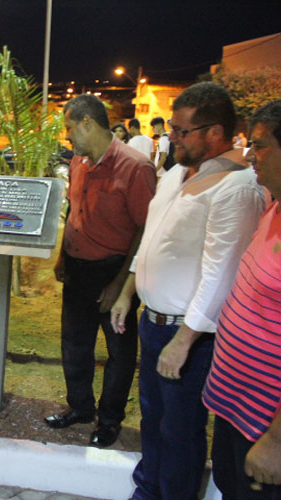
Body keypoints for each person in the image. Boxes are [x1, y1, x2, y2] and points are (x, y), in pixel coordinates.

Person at [110, 82, 267, 500]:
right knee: (152, 419)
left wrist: (184, 341)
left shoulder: (237, 187)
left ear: (214, 133)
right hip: (154, 323)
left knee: (179, 430)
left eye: (181, 131)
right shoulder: (176, 172)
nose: (170, 137)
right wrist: (129, 290)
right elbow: (150, 237)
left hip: (190, 336)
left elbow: (222, 272)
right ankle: (148, 490)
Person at [44, 94, 156, 448]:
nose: (67, 137)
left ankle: (109, 421)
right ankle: (80, 408)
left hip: (113, 272)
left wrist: (121, 285)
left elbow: (144, 230)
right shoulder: (79, 162)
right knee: (74, 344)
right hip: (77, 269)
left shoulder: (135, 167)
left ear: (88, 123)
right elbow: (74, 214)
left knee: (119, 353)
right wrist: (64, 257)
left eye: (69, 129)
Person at [202, 99, 281, 499]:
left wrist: (277, 442)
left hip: (268, 431)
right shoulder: (274, 206)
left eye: (261, 144)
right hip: (239, 409)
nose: (249, 154)